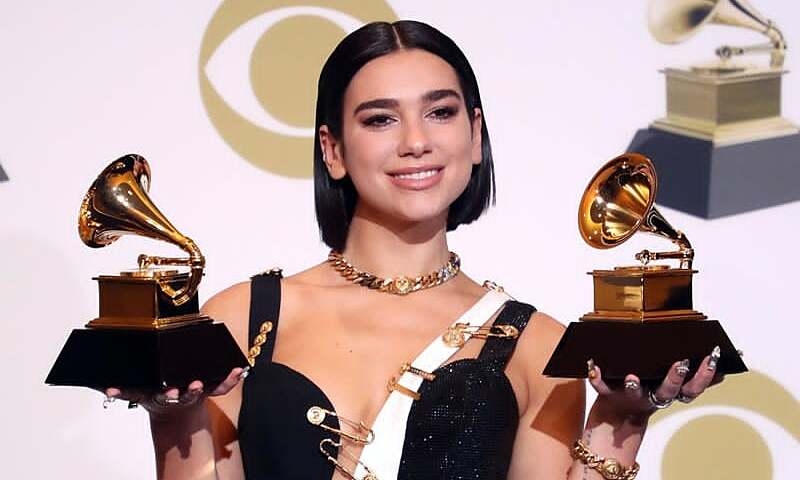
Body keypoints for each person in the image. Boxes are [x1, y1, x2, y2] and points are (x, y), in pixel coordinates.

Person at [107, 20, 721, 480]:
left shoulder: (540, 347)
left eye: (440, 113)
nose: (416, 142)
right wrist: (172, 416)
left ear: (475, 135)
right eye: (380, 119)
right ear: (332, 150)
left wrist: (624, 419)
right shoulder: (242, 318)